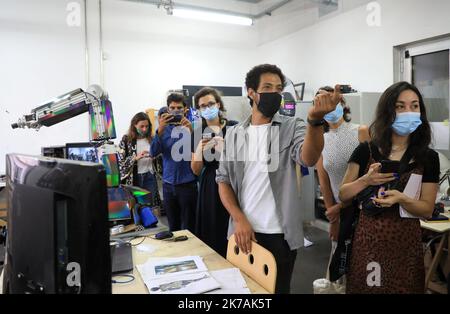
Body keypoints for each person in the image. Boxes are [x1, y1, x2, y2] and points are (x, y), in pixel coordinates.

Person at [216, 64, 342, 293]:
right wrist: (239, 219)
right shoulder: (235, 134)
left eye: (278, 88)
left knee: (278, 289)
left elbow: (308, 158)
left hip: (279, 236)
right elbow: (223, 180)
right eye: (267, 87)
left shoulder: (293, 126)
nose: (274, 93)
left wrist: (315, 122)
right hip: (242, 232)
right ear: (251, 92)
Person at [339, 81, 440, 294]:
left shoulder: (428, 158)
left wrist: (401, 198)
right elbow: (343, 194)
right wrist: (365, 181)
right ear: (388, 111)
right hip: (369, 242)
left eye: (414, 106)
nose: (408, 112)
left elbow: (427, 209)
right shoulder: (366, 150)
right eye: (400, 106)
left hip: (405, 246)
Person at [314, 86, 370, 280]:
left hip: (361, 209)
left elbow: (369, 177)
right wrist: (334, 217)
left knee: (362, 263)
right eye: (321, 103)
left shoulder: (361, 131)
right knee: (340, 267)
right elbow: (324, 181)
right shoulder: (320, 140)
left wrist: (340, 207)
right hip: (339, 214)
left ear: (342, 104)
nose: (328, 107)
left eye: (331, 100)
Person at [190, 87, 238, 257]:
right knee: (212, 226)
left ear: (218, 104)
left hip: (233, 181)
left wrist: (227, 147)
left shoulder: (234, 127)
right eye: (202, 106)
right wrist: (198, 150)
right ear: (199, 110)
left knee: (232, 223)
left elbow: (245, 160)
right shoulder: (197, 132)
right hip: (210, 185)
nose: (207, 108)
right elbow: (195, 171)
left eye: (210, 103)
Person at [150, 93, 197, 232]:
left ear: (186, 109)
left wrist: (192, 131)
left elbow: (201, 153)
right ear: (168, 110)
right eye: (172, 108)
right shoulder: (163, 129)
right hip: (169, 185)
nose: (176, 110)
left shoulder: (193, 127)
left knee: (190, 226)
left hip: (188, 184)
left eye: (179, 108)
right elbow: (153, 153)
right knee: (173, 225)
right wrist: (159, 130)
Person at [118, 112, 161, 208]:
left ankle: (151, 223)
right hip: (135, 178)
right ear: (134, 125)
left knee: (150, 206)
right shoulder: (126, 140)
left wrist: (154, 156)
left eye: (147, 126)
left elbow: (159, 156)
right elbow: (120, 162)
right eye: (141, 126)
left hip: (150, 175)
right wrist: (135, 158)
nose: (144, 129)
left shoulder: (152, 139)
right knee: (136, 207)